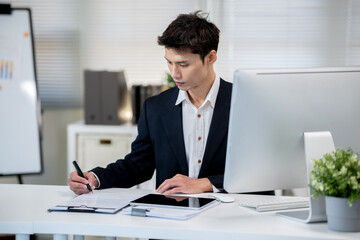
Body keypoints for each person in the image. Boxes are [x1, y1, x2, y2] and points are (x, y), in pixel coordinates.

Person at [68, 11, 232, 195]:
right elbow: (138, 165)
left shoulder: (243, 104)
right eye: (169, 62)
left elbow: (261, 169)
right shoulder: (155, 107)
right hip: (171, 214)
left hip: (229, 214)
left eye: (183, 64)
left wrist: (206, 184)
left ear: (211, 57)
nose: (174, 73)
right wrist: (96, 178)